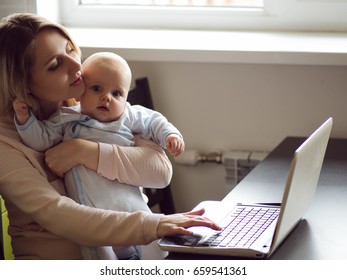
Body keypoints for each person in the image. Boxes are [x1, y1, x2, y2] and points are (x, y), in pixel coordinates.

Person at [0, 13, 220, 260]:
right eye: (54, 65)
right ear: (23, 83)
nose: (76, 67)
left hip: (129, 248)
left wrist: (86, 152)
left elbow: (161, 172)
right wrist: (152, 225)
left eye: (70, 49)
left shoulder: (90, 98)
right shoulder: (5, 144)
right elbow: (59, 214)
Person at [12, 51, 185, 260]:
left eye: (117, 93)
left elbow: (154, 122)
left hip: (129, 208)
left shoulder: (127, 116)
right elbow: (41, 140)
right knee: (99, 258)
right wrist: (25, 120)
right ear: (80, 92)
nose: (106, 97)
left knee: (151, 254)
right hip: (92, 218)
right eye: (96, 89)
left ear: (126, 99)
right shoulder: (66, 118)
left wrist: (170, 136)